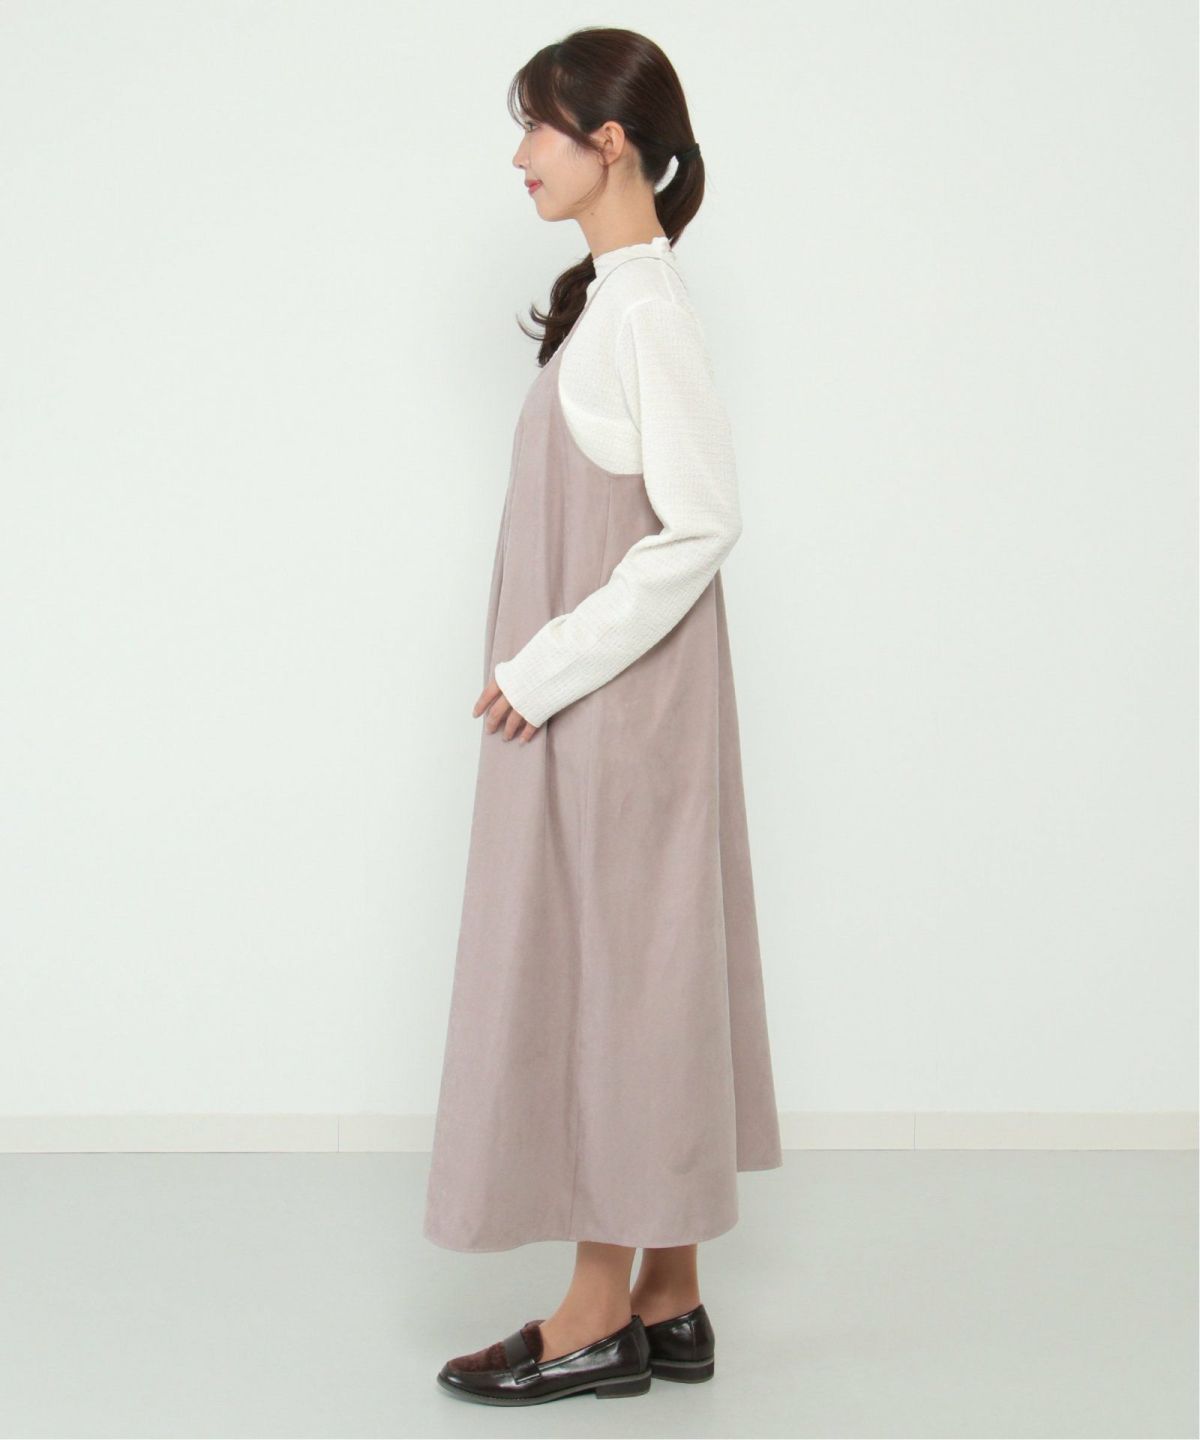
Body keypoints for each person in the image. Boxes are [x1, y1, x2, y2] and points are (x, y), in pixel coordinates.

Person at [425, 26, 784, 1407]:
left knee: (618, 990)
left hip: (615, 715)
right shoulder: (615, 300)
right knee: (650, 976)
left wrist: (541, 666)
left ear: (610, 140)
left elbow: (703, 523)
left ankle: (592, 1317)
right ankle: (669, 1296)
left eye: (539, 126)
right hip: (619, 711)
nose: (519, 155)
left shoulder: (644, 314)